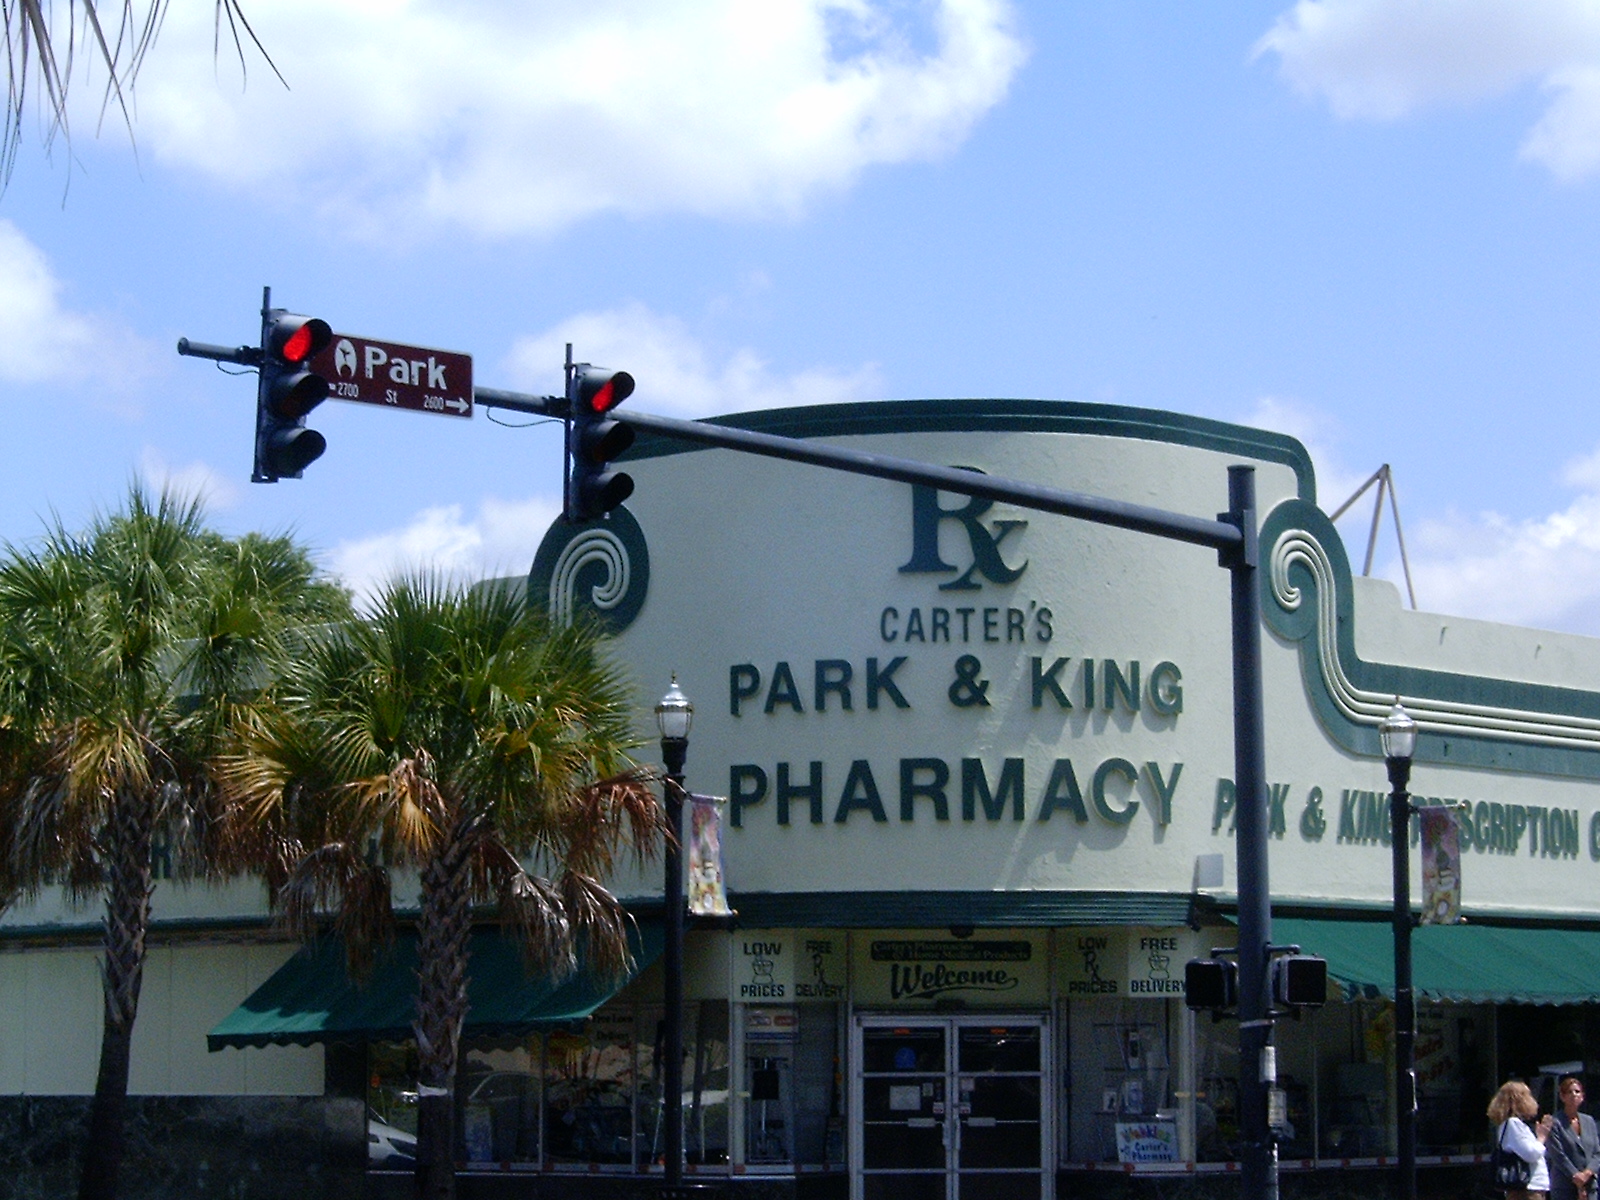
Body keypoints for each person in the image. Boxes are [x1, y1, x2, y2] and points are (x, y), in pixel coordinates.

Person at [1491, 1080, 1555, 1199]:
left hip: (1528, 1188)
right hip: (1527, 1189)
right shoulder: (1513, 1124)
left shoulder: (1509, 1124)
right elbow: (1530, 1153)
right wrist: (1541, 1137)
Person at [1547, 1076, 1600, 1200]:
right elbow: (1558, 1155)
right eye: (1569, 1092)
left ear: (1582, 1096)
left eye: (1577, 1091)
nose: (1574, 1095)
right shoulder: (1555, 1122)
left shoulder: (1589, 1121)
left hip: (1590, 1186)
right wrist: (1576, 1176)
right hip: (1564, 1187)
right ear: (1562, 1096)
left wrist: (1587, 1173)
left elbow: (1597, 1152)